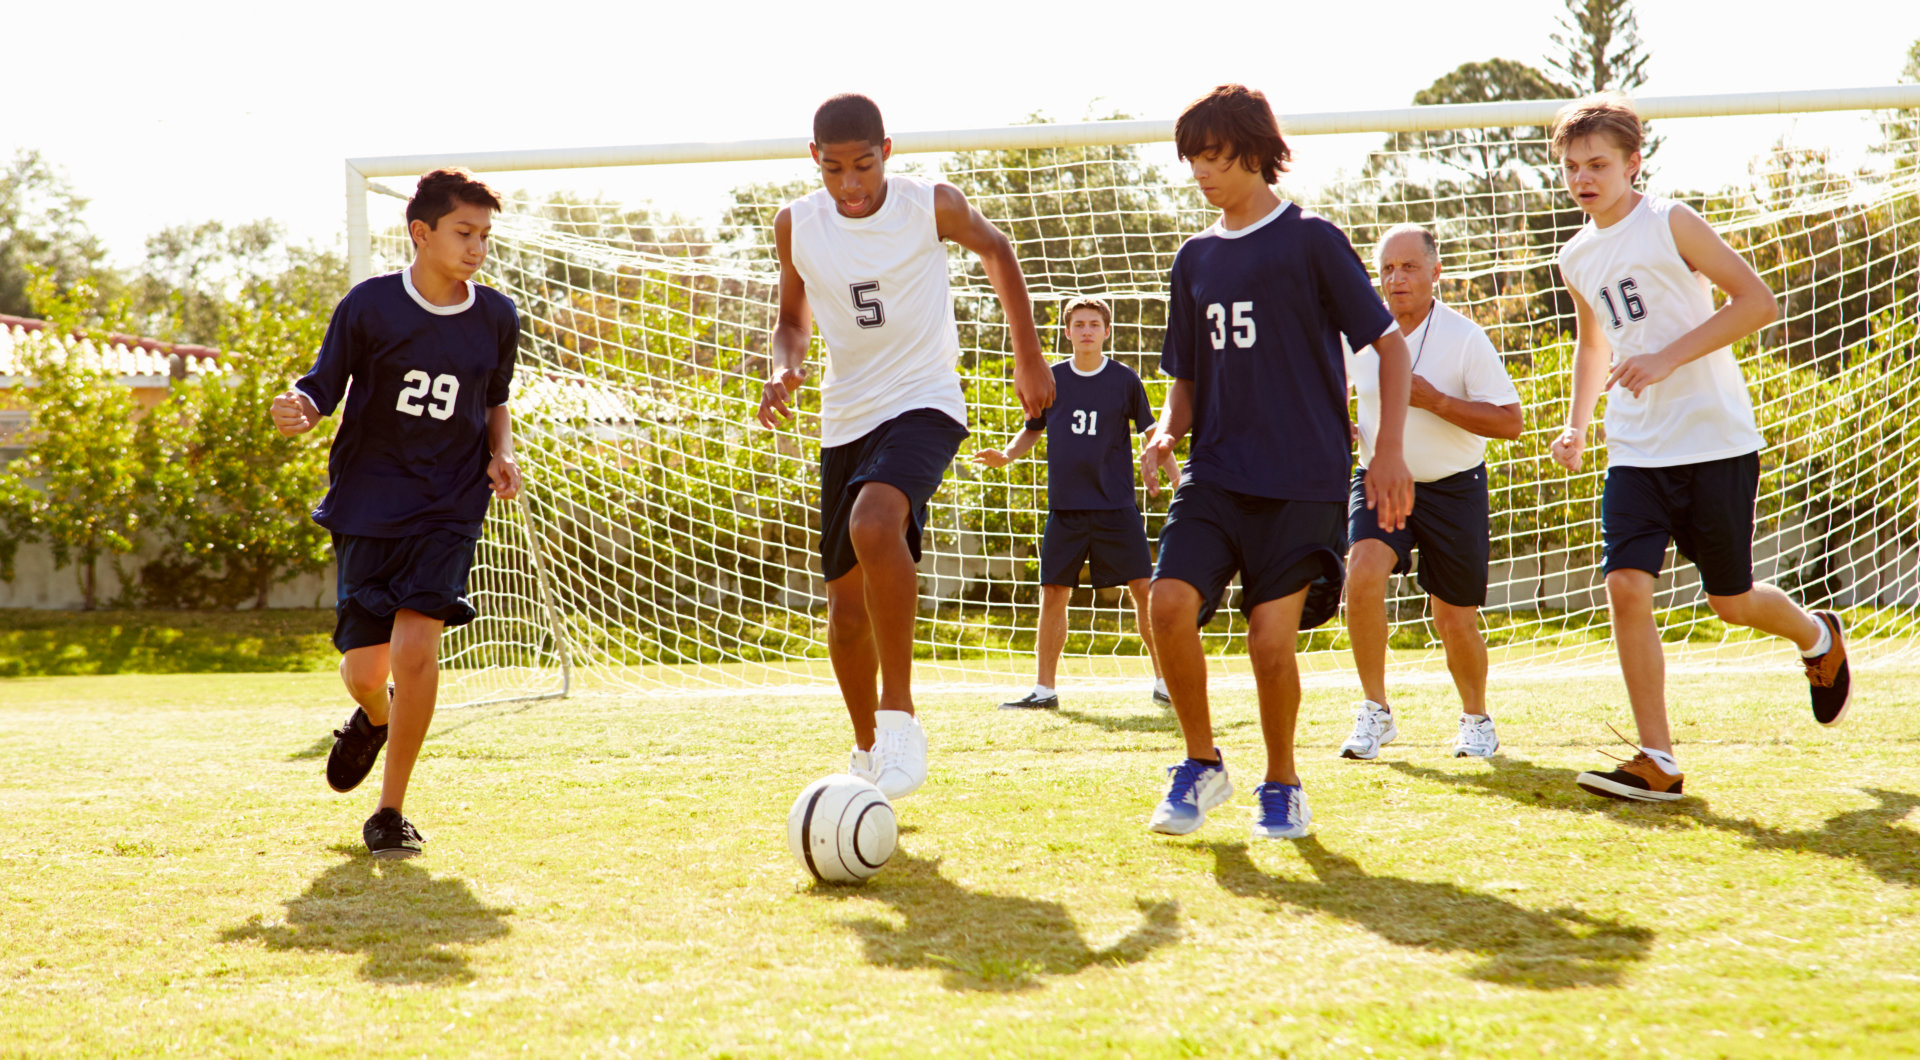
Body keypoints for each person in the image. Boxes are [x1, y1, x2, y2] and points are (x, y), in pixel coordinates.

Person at [1547, 93, 1852, 802]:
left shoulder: (1670, 222)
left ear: (1632, 163)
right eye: (1570, 167)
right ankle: (1658, 758)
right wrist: (1578, 423)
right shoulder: (1574, 255)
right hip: (1634, 450)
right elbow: (1594, 344)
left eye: (1597, 164)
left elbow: (1756, 301)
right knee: (1625, 584)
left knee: (1732, 600)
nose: (1583, 178)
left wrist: (1666, 359)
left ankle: (1817, 636)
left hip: (1715, 441)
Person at [756, 93, 1053, 800]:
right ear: (815, 162)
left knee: (874, 523)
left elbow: (997, 248)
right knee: (846, 611)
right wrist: (781, 365)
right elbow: (791, 320)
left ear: (887, 151)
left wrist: (1028, 356)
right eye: (834, 169)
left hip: (924, 401)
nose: (851, 184)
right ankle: (867, 755)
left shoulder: (932, 204)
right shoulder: (796, 224)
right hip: (845, 418)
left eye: (863, 165)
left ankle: (900, 718)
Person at [1139, 84, 1413, 840]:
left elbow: (1387, 346)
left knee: (1269, 643)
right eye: (1194, 158)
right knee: (1167, 607)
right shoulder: (1192, 258)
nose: (1203, 172)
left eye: (1217, 157)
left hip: (1303, 479)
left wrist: (1387, 451)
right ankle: (1201, 765)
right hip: (1217, 473)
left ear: (1256, 153)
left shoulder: (1311, 239)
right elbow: (1185, 380)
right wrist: (1165, 430)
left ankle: (1282, 784)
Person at [270, 167, 523, 859]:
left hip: (450, 502)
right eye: (463, 233)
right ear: (422, 232)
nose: (476, 247)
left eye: (484, 236)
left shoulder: (498, 317)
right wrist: (299, 407)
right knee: (363, 670)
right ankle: (372, 717)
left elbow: (494, 399)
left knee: (416, 651)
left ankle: (390, 811)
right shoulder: (369, 307)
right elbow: (321, 385)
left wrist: (501, 453)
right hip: (369, 500)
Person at [1341, 224, 1523, 761]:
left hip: (1454, 489)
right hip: (1379, 480)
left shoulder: (1465, 337)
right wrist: (1337, 426)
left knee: (1453, 620)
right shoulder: (1358, 336)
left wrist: (1438, 402)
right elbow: (1333, 396)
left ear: (1435, 271)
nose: (1397, 279)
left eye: (1409, 267)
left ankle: (1475, 718)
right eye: (1388, 269)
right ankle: (1375, 710)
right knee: (1363, 572)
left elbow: (1510, 421)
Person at [974, 295, 1170, 710]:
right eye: (1078, 324)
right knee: (1053, 593)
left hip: (1116, 505)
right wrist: (1006, 455)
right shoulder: (1050, 378)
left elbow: (1153, 436)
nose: (1086, 331)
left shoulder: (1124, 379)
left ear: (1106, 331)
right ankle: (1044, 690)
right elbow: (1032, 429)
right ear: (1067, 332)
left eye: (1093, 325)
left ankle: (1166, 681)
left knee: (1142, 589)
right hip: (1066, 507)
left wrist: (1179, 481)